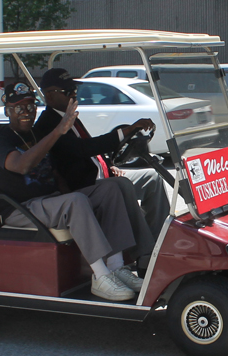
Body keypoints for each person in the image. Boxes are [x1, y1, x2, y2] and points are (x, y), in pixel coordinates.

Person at [0, 82, 148, 301]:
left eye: (31, 106)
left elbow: (54, 171)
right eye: (18, 108)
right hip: (21, 208)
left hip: (49, 202)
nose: (26, 112)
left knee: (112, 188)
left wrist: (67, 191)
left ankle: (116, 266)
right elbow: (22, 165)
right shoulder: (0, 140)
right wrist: (57, 131)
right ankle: (100, 276)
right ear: (7, 111)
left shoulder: (35, 134)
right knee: (76, 201)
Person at [34, 68, 170, 241]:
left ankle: (159, 238)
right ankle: (144, 251)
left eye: (75, 90)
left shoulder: (70, 117)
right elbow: (82, 149)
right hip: (82, 185)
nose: (74, 95)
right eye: (68, 92)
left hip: (99, 177)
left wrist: (108, 164)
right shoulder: (49, 124)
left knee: (152, 177)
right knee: (121, 185)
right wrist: (124, 131)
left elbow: (91, 150)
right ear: (49, 96)